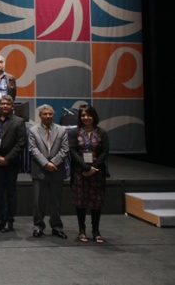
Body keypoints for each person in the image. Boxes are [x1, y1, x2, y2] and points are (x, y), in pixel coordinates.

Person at [69, 104, 110, 244]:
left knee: (96, 203)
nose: (86, 118)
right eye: (83, 115)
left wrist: (94, 168)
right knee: (81, 202)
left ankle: (96, 231)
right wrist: (86, 168)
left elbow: (105, 152)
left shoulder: (101, 132)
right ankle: (82, 231)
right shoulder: (75, 132)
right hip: (80, 172)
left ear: (94, 116)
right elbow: (73, 151)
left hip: (97, 172)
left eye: (89, 115)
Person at [28, 104, 70, 239]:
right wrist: (46, 163)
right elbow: (32, 149)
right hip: (40, 170)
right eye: (45, 114)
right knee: (38, 202)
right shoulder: (33, 130)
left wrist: (54, 163)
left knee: (56, 201)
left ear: (53, 115)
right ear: (40, 116)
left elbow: (65, 149)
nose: (47, 116)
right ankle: (38, 226)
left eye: (50, 114)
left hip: (56, 170)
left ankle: (57, 227)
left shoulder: (62, 130)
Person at [0, 95, 26, 233]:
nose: (4, 106)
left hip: (11, 162)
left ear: (12, 106)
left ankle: (9, 221)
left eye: (7, 104)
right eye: (2, 104)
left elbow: (21, 143)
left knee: (11, 192)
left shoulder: (19, 122)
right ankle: (0, 219)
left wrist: (7, 159)